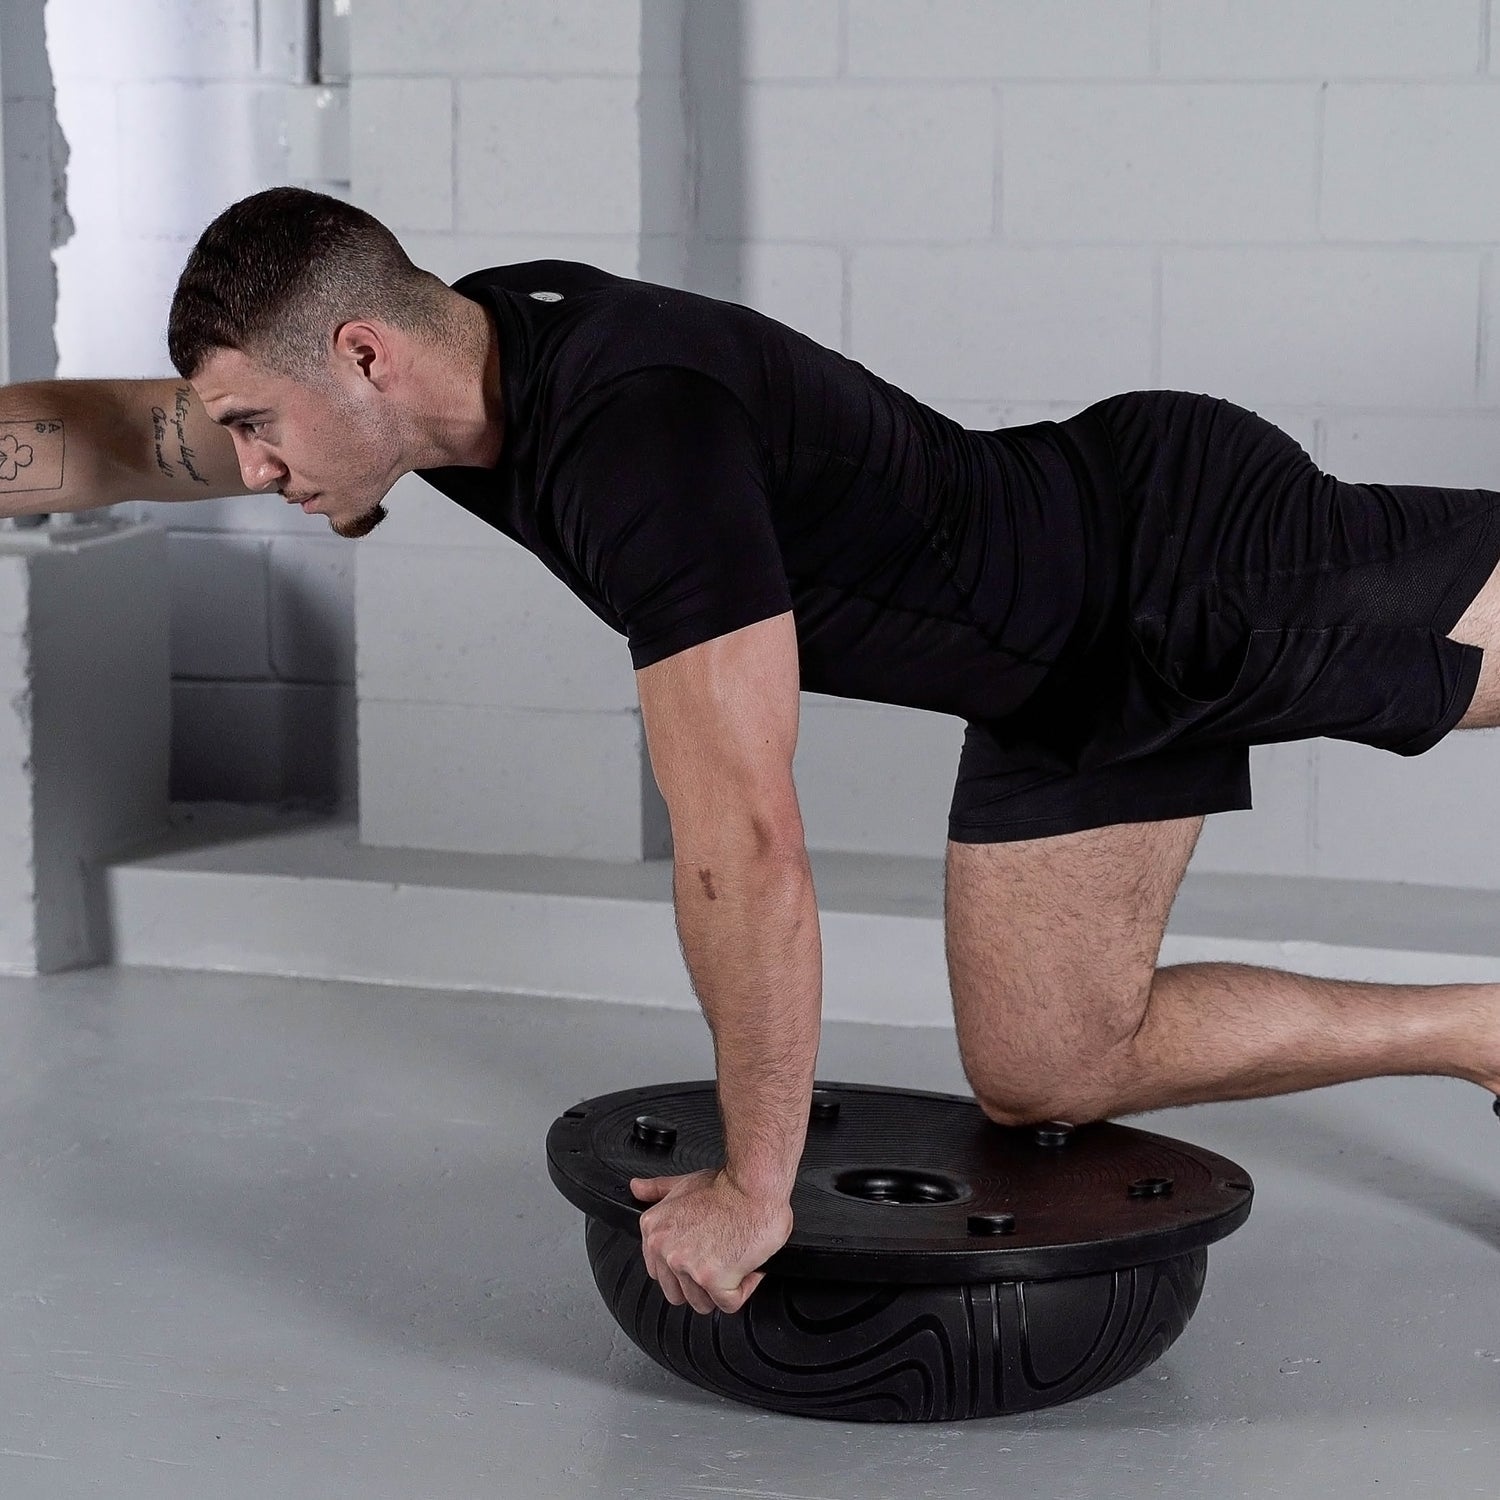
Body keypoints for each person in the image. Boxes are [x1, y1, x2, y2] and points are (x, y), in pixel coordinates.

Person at [7, 185, 1500, 1323]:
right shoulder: (446, 375)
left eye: (264, 430)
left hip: (1191, 563)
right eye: (240, 435)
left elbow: (745, 847)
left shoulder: (633, 441)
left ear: (361, 352)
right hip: (1068, 677)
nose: (251, 471)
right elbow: (124, 436)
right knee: (1049, 1065)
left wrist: (756, 1187)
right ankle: (1482, 1032)